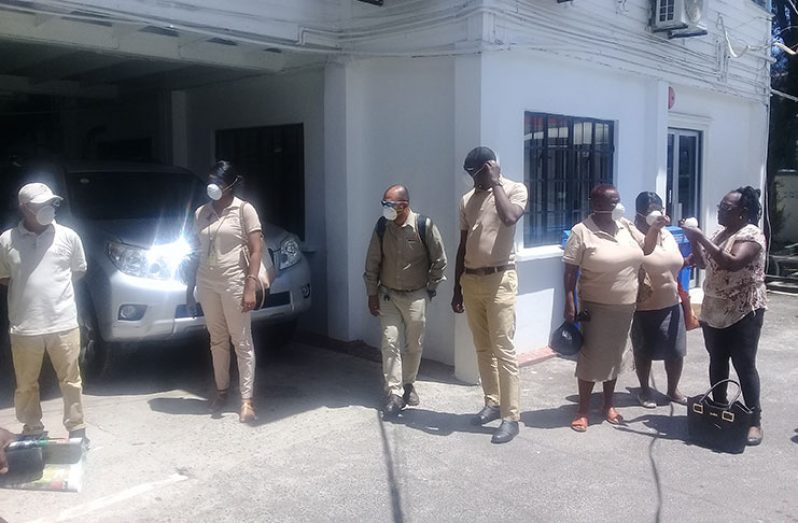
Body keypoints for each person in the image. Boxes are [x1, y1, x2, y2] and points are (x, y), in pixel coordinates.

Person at [0, 183, 88, 443]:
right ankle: (32, 430)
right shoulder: (6, 241)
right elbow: (5, 277)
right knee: (26, 384)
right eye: (40, 205)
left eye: (51, 204)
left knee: (71, 380)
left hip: (63, 322)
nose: (47, 209)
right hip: (25, 326)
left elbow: (77, 271)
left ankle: (77, 429)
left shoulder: (69, 236)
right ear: (24, 208)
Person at [451, 146, 528, 444]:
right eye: (470, 176)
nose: (473, 181)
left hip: (500, 279)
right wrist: (457, 287)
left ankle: (511, 417)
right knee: (482, 348)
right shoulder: (467, 199)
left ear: (490, 167)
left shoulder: (514, 190)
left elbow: (509, 218)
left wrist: (495, 183)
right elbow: (463, 244)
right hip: (471, 281)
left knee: (504, 350)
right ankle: (492, 402)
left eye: (478, 174)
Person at [681, 186, 767, 446]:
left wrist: (700, 236)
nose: (719, 210)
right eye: (719, 205)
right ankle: (718, 408)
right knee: (717, 360)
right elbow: (704, 263)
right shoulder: (720, 233)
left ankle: (754, 420)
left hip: (743, 309)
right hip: (714, 308)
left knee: (744, 364)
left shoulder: (752, 235)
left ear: (742, 213)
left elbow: (732, 262)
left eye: (725, 208)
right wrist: (695, 242)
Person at [185, 161, 265, 423]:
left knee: (241, 341)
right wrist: (190, 289)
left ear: (230, 184)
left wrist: (250, 284)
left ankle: (246, 400)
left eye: (218, 182)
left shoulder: (244, 210)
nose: (213, 187)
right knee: (217, 339)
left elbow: (256, 249)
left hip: (234, 281)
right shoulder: (202, 213)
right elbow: (196, 252)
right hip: (207, 282)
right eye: (210, 181)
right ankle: (221, 391)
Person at [562, 184, 643, 432]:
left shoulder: (626, 226)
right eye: (612, 201)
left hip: (626, 305)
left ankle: (608, 404)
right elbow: (570, 271)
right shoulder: (582, 231)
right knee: (591, 356)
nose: (617, 205)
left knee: (615, 356)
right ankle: (583, 409)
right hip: (596, 306)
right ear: (597, 204)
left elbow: (646, 248)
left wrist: (656, 226)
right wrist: (570, 301)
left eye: (618, 199)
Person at [364, 184, 447, 417]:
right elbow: (372, 262)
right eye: (384, 204)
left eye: (389, 204)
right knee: (389, 342)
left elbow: (440, 261)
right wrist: (372, 293)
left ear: (404, 206)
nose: (385, 209)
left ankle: (408, 384)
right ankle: (394, 392)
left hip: (416, 296)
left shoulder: (424, 226)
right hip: (388, 295)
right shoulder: (382, 227)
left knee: (414, 344)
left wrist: (429, 290)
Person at [630, 192, 687, 408]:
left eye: (659, 209)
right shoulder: (632, 234)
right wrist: (652, 229)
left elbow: (675, 262)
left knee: (676, 351)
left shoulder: (668, 235)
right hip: (643, 305)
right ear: (640, 213)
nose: (656, 214)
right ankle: (644, 390)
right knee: (643, 350)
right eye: (650, 210)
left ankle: (673, 390)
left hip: (672, 302)